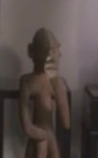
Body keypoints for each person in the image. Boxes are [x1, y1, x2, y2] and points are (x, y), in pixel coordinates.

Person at [18, 29, 70, 158]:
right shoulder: (27, 81)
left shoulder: (57, 83)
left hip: (47, 137)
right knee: (41, 144)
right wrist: (44, 136)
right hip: (40, 138)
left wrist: (57, 87)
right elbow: (27, 127)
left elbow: (66, 123)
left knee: (43, 143)